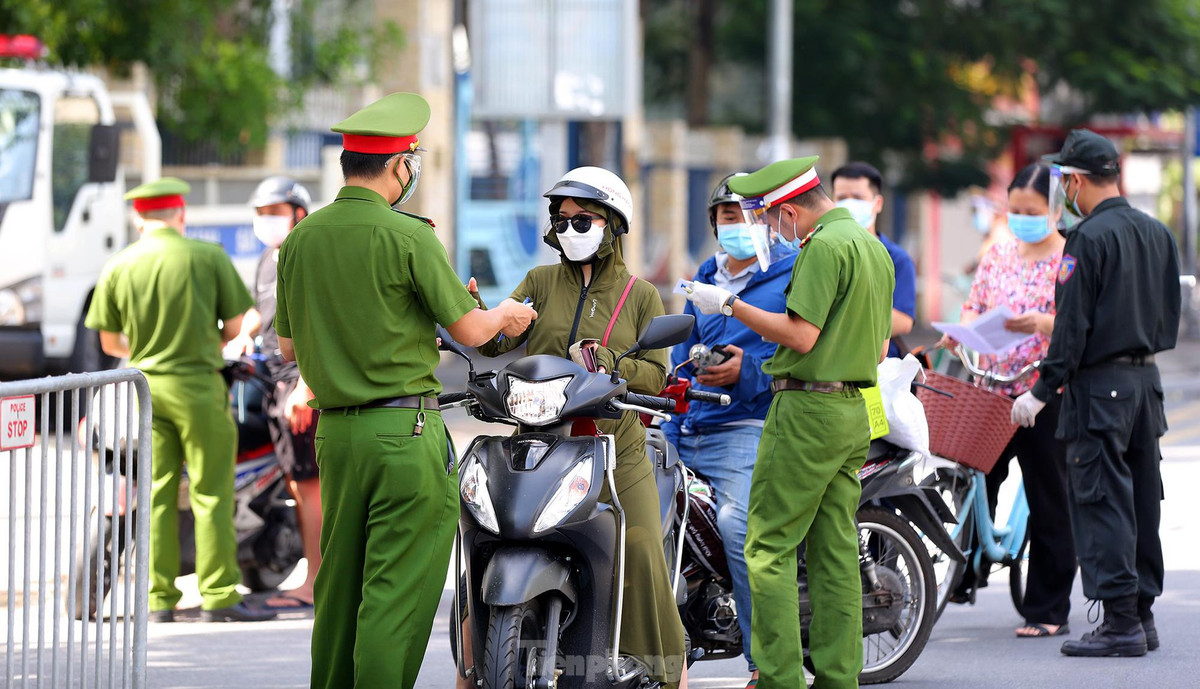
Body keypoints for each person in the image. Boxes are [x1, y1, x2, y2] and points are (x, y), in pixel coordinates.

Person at [273, 92, 537, 689]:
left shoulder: (302, 239)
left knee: (339, 587)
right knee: (394, 594)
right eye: (410, 164)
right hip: (403, 433)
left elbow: (289, 349)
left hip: (336, 435)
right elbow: (470, 331)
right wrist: (502, 313)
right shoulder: (410, 237)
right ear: (398, 165)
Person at [473, 166, 687, 688]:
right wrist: (480, 314)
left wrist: (608, 362)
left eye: (583, 220)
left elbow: (656, 376)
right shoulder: (539, 282)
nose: (569, 229)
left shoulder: (640, 295)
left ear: (612, 225)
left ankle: (668, 673)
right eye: (562, 220)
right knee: (486, 540)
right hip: (539, 443)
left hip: (615, 448)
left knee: (638, 548)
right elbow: (498, 341)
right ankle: (473, 668)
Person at [685, 156, 894, 689]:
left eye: (768, 218)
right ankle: (838, 678)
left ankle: (779, 679)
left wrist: (729, 305)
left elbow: (800, 336)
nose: (771, 231)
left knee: (766, 548)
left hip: (806, 412)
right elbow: (881, 345)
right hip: (852, 409)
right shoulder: (872, 247)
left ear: (789, 210)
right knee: (835, 552)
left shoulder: (821, 247)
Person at [1014, 129, 1181, 657]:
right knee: (1141, 500)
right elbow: (1170, 318)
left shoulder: (1086, 238)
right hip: (1146, 384)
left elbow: (1070, 327)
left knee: (1103, 499)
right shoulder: (1157, 232)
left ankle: (1121, 623)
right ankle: (1142, 617)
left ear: (1076, 181)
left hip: (1099, 388)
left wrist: (1040, 391)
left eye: (1064, 180)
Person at [85, 177, 276, 623]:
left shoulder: (119, 264)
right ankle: (219, 595)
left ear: (138, 219)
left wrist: (148, 344)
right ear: (181, 215)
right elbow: (236, 329)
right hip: (199, 389)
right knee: (211, 493)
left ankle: (158, 600)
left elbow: (111, 342)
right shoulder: (207, 257)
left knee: (156, 494)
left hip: (144, 390)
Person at [660, 172, 797, 687]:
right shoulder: (703, 277)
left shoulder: (790, 272)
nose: (738, 224)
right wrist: (671, 405)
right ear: (715, 223)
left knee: (739, 528)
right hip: (687, 423)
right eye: (728, 215)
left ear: (768, 220)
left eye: (749, 215)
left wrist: (748, 372)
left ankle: (764, 662)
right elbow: (681, 350)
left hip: (745, 425)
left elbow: (800, 350)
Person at [942, 163, 1077, 638]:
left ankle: (1048, 608)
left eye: (1033, 212)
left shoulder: (1070, 260)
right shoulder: (999, 253)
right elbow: (974, 305)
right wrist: (962, 331)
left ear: (1055, 210)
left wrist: (1040, 323)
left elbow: (1080, 326)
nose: (1022, 219)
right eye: (1015, 210)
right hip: (992, 388)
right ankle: (964, 572)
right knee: (972, 481)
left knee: (1049, 498)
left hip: (1045, 393)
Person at [228, 176, 321, 608]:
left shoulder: (309, 254)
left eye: (275, 212)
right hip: (273, 378)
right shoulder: (270, 257)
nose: (265, 220)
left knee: (309, 485)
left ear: (299, 213)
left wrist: (306, 386)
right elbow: (261, 309)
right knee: (296, 482)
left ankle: (316, 582)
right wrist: (243, 334)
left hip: (299, 380)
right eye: (260, 213)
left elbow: (320, 323)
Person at [830, 162, 917, 357]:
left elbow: (903, 320)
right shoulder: (825, 251)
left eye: (858, 198)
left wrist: (838, 323)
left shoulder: (897, 259)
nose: (849, 205)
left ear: (877, 204)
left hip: (880, 365)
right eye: (842, 198)